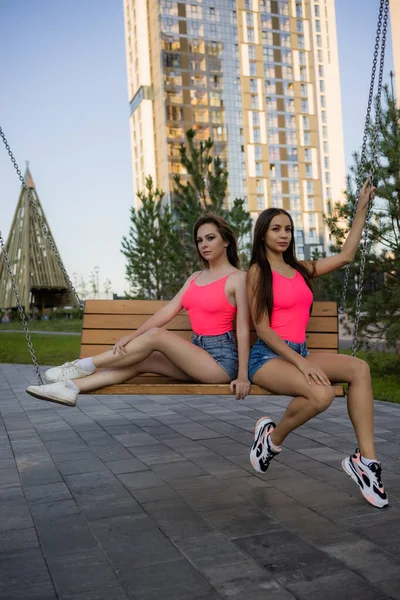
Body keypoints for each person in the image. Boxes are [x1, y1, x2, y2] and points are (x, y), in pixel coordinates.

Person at [247, 179, 388, 509]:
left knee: (359, 368)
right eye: (276, 229)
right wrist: (301, 363)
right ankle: (270, 441)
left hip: (299, 353)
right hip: (267, 358)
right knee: (322, 394)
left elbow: (346, 255)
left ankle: (366, 463)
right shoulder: (258, 271)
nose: (284, 235)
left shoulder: (300, 270)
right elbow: (262, 328)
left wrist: (361, 208)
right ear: (263, 234)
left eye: (289, 229)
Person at [26, 214, 251, 407]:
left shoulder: (237, 278)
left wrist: (242, 377)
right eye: (200, 240)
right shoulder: (195, 278)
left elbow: (242, 329)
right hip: (196, 356)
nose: (204, 244)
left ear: (226, 242)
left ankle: (83, 365)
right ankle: (70, 387)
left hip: (221, 362)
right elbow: (167, 312)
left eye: (210, 238)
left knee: (156, 336)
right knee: (144, 360)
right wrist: (132, 337)